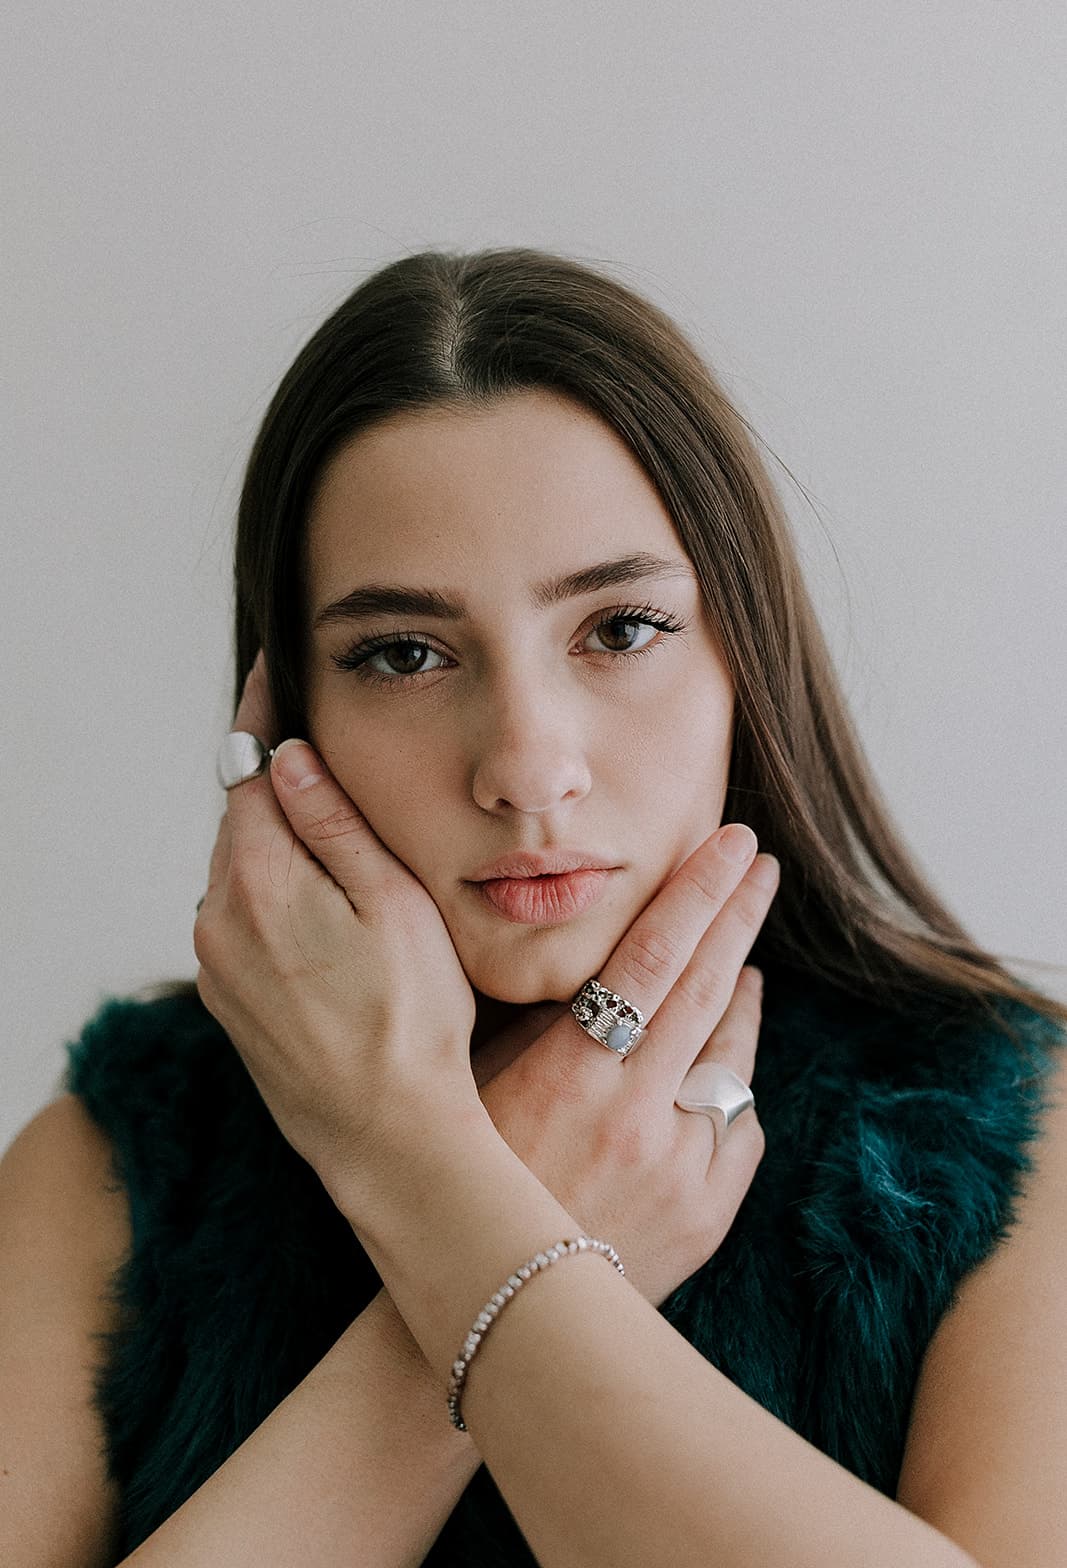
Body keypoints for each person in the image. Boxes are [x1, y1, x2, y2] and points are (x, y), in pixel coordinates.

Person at [2, 248, 1065, 1568]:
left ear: (750, 651)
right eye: (403, 653)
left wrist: (424, 1183)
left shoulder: (1007, 1130)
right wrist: (461, 1188)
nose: (523, 765)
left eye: (619, 629)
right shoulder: (108, 1168)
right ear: (284, 721)